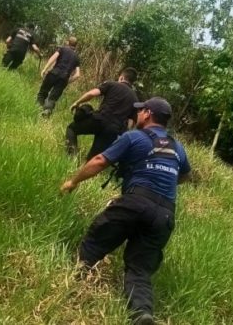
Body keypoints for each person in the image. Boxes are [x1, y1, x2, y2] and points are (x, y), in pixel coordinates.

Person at [61, 97, 191, 325]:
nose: (137, 115)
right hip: (165, 215)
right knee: (140, 270)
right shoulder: (178, 148)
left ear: (148, 114)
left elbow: (100, 160)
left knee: (95, 242)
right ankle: (142, 314)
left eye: (140, 112)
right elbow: (183, 175)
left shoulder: (134, 137)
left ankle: (73, 284)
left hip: (135, 203)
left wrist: (73, 182)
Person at [66, 67, 139, 161]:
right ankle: (86, 168)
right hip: (113, 130)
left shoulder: (112, 84)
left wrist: (77, 102)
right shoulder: (135, 99)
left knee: (71, 129)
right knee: (93, 160)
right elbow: (131, 123)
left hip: (99, 120)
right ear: (132, 82)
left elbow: (91, 94)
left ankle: (73, 157)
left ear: (121, 77)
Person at [37, 36, 81, 117]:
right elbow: (78, 74)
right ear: (76, 45)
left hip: (54, 73)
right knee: (53, 97)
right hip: (64, 78)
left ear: (68, 42)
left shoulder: (62, 49)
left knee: (43, 92)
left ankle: (38, 108)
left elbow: (53, 58)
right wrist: (68, 80)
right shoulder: (77, 57)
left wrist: (45, 69)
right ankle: (47, 110)